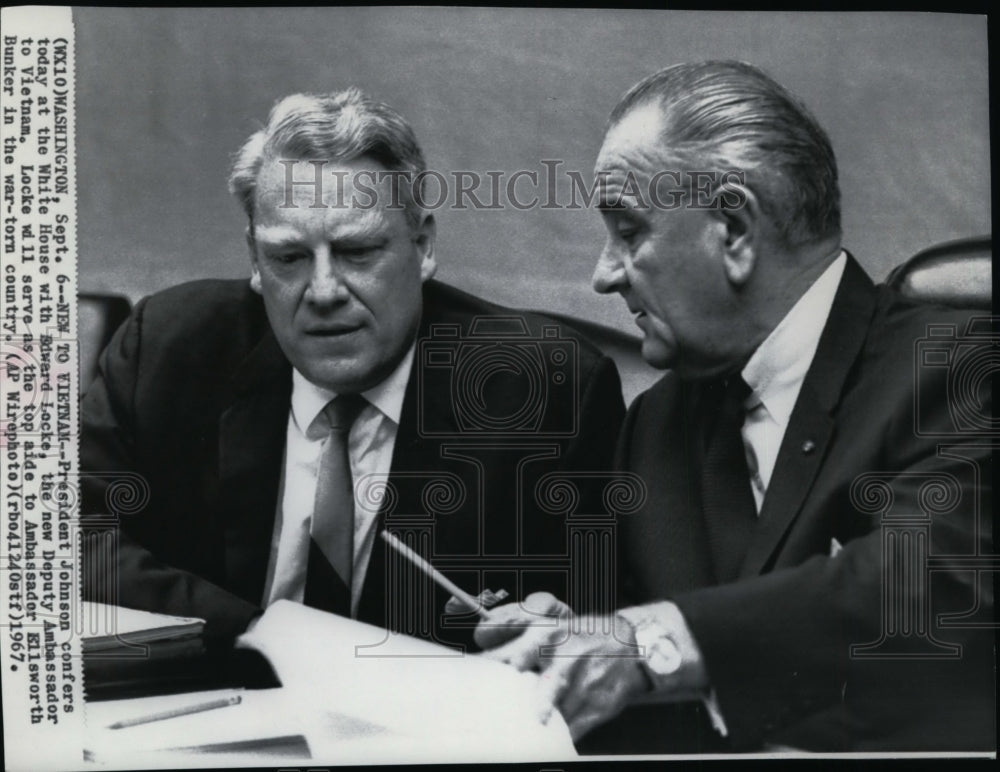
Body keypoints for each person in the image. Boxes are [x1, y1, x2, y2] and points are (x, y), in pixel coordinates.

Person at [474, 61, 993, 752]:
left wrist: (654, 642)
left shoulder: (960, 367)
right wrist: (584, 637)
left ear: (734, 229)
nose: (602, 275)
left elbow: (926, 585)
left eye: (628, 232)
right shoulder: (655, 423)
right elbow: (659, 640)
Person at [80, 88, 625, 653]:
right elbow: (56, 539)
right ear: (254, 261)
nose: (322, 292)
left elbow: (600, 615)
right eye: (289, 258)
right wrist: (262, 635)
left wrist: (553, 622)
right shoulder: (169, 345)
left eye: (358, 252)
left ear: (424, 245)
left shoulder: (546, 387)